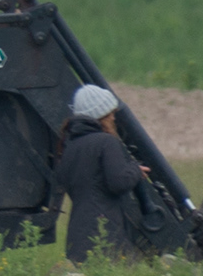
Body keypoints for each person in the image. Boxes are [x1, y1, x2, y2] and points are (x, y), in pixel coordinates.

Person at [58, 82, 158, 266]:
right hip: (105, 234)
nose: (113, 118)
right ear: (100, 116)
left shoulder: (70, 147)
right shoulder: (106, 142)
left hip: (77, 238)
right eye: (110, 113)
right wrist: (135, 170)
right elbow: (118, 182)